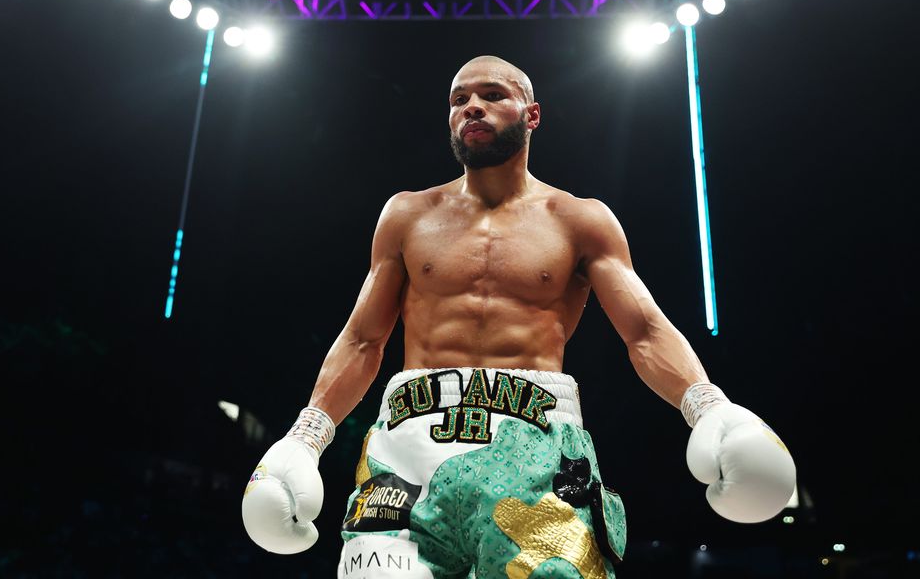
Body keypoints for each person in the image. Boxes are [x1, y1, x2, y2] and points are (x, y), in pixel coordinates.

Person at [241, 56, 796, 579]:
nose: (472, 107)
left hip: (533, 451)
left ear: (531, 115)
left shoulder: (579, 219)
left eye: (492, 95)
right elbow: (363, 340)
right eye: (460, 99)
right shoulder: (407, 214)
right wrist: (305, 438)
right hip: (405, 454)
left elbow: (644, 331)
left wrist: (708, 408)